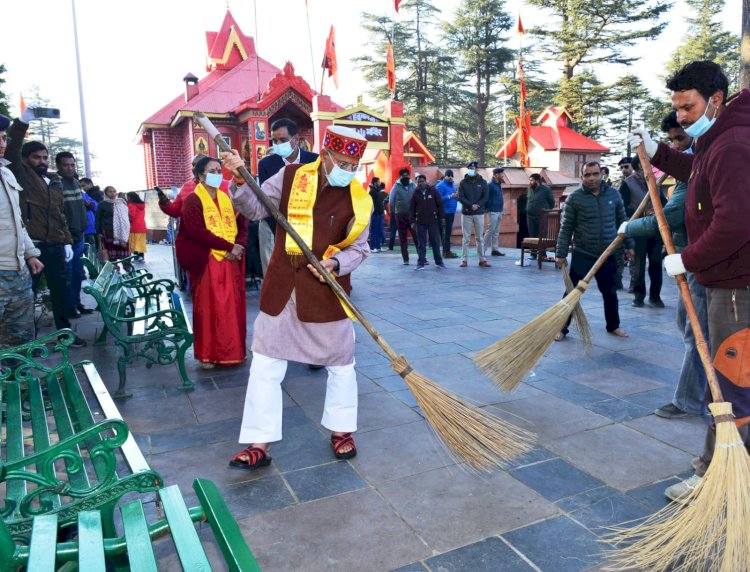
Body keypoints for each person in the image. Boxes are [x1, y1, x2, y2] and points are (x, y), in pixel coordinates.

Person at [629, 61, 750, 502]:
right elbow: (699, 176)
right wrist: (657, 152)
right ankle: (722, 469)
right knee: (732, 383)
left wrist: (687, 259)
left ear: (715, 100)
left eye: (688, 106)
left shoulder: (733, 143)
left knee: (731, 387)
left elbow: (736, 222)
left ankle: (718, 477)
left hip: (737, 289)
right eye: (677, 107)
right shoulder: (717, 137)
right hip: (727, 281)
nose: (680, 115)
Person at [222, 125, 371, 469]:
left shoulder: (358, 198)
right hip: (283, 288)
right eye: (343, 162)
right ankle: (259, 443)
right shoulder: (291, 177)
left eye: (354, 164)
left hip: (326, 293)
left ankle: (342, 430)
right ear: (325, 156)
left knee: (341, 364)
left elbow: (361, 249)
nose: (348, 170)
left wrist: (336, 262)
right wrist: (242, 182)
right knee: (265, 364)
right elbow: (256, 209)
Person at [620, 111, 707, 420]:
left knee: (697, 332)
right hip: (692, 258)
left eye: (680, 139)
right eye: (670, 141)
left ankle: (690, 400)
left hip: (699, 260)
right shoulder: (691, 165)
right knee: (693, 329)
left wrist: (628, 229)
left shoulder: (701, 165)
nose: (677, 148)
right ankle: (703, 394)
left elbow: (670, 218)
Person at [5, 113, 84, 347]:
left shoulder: (52, 182)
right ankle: (30, 340)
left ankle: (65, 334)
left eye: (44, 157)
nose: (42, 161)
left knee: (60, 292)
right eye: (36, 157)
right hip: (34, 246)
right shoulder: (22, 174)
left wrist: (67, 241)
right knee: (28, 295)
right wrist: (23, 121)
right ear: (26, 159)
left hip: (55, 244)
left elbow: (60, 215)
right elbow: (12, 149)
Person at [176, 156, 247, 369]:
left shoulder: (228, 198)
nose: (217, 174)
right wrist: (228, 247)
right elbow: (197, 232)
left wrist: (238, 246)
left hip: (230, 262)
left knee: (232, 310)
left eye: (219, 170)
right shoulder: (193, 201)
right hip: (208, 262)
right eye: (212, 171)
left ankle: (234, 351)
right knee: (210, 310)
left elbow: (242, 224)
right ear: (199, 176)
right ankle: (209, 354)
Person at [555, 161, 632, 341]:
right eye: (587, 175)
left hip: (608, 252)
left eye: (595, 174)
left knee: (610, 292)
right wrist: (560, 253)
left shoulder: (614, 195)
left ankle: (613, 325)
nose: (591, 178)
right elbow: (566, 228)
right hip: (584, 252)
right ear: (582, 177)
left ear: (602, 174)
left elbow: (623, 221)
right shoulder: (575, 198)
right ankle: (561, 327)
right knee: (572, 292)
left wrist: (629, 245)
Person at [0, 113, 44, 348]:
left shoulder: (6, 173)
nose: (1, 143)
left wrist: (30, 253)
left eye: (4, 138)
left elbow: (16, 220)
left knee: (20, 339)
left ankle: (21, 385)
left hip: (17, 272)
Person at [256, 118, 318, 274]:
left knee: (305, 275)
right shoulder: (266, 164)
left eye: (282, 140)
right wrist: (280, 232)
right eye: (274, 140)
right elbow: (266, 201)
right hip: (273, 226)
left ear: (295, 139)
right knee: (275, 275)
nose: (278, 144)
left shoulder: (314, 160)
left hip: (307, 227)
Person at [619, 155, 665, 308]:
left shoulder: (655, 183)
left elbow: (664, 203)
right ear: (638, 167)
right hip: (637, 229)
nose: (650, 169)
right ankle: (639, 296)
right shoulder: (627, 184)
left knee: (656, 263)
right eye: (647, 166)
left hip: (654, 229)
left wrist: (660, 210)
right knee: (638, 265)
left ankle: (655, 296)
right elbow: (621, 208)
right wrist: (636, 215)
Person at [56, 151, 90, 318]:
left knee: (78, 273)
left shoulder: (76, 183)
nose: (69, 168)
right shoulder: (57, 184)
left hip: (80, 235)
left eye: (72, 165)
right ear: (58, 166)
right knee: (68, 275)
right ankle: (69, 307)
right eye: (65, 165)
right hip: (67, 239)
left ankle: (77, 303)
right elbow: (58, 213)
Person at [410, 174, 445, 270]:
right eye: (418, 182)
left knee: (435, 242)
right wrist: (412, 221)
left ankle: (439, 262)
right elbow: (412, 208)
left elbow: (440, 204)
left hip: (433, 221)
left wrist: (442, 217)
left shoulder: (433, 191)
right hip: (420, 222)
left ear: (426, 181)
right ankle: (420, 263)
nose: (420, 183)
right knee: (421, 243)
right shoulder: (415, 193)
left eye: (422, 181)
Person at [458, 161, 490, 268]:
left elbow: (485, 197)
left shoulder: (483, 182)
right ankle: (464, 260)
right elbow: (461, 197)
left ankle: (482, 259)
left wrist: (478, 205)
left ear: (477, 169)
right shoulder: (463, 182)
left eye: (474, 168)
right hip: (466, 213)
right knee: (466, 238)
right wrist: (470, 205)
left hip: (479, 213)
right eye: (470, 168)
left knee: (479, 237)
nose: (472, 169)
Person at [518, 173, 555, 265]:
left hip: (542, 216)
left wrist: (545, 210)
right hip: (530, 216)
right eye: (530, 180)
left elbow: (552, 202)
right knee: (532, 234)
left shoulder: (546, 189)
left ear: (537, 181)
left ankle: (542, 254)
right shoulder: (530, 188)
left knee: (541, 235)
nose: (530, 182)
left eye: (532, 180)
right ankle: (533, 254)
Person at [389, 167, 418, 265]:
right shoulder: (396, 187)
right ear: (400, 176)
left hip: (412, 215)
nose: (405, 177)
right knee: (403, 238)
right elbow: (391, 201)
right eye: (403, 176)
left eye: (407, 175)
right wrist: (397, 209)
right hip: (400, 216)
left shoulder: (413, 185)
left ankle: (422, 257)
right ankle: (406, 259)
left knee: (416, 236)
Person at [95, 186, 131, 261]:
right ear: (106, 193)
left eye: (114, 191)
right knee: (110, 252)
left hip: (122, 232)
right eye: (110, 192)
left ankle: (128, 267)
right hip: (108, 231)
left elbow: (127, 216)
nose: (112, 193)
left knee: (124, 252)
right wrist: (98, 232)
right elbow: (98, 218)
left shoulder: (121, 203)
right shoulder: (102, 204)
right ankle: (114, 269)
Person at [436, 169, 459, 258]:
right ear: (445, 176)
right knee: (445, 233)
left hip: (451, 212)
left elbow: (454, 196)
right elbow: (438, 199)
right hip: (444, 213)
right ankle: (446, 252)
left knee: (448, 232)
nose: (450, 177)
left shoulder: (453, 185)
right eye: (448, 175)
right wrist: (450, 196)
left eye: (451, 176)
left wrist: (457, 197)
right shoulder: (440, 186)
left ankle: (447, 251)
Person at [483, 167, 505, 257]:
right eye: (501, 174)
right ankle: (482, 250)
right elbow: (485, 197)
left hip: (499, 210)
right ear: (496, 175)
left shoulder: (498, 184)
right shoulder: (490, 184)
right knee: (490, 230)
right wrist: (487, 208)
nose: (503, 175)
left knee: (496, 231)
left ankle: (495, 250)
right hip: (492, 210)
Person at [127, 192, 148, 259]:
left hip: (134, 227)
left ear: (130, 197)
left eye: (128, 197)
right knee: (140, 243)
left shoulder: (131, 205)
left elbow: (132, 216)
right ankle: (141, 256)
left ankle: (136, 257)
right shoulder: (142, 205)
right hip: (142, 226)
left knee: (134, 243)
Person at [368, 177, 385, 252]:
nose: (380, 183)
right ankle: (372, 247)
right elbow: (371, 204)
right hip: (375, 214)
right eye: (378, 182)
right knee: (374, 231)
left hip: (380, 214)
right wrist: (374, 212)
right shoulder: (372, 192)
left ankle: (378, 246)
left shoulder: (378, 191)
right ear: (375, 183)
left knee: (379, 231)